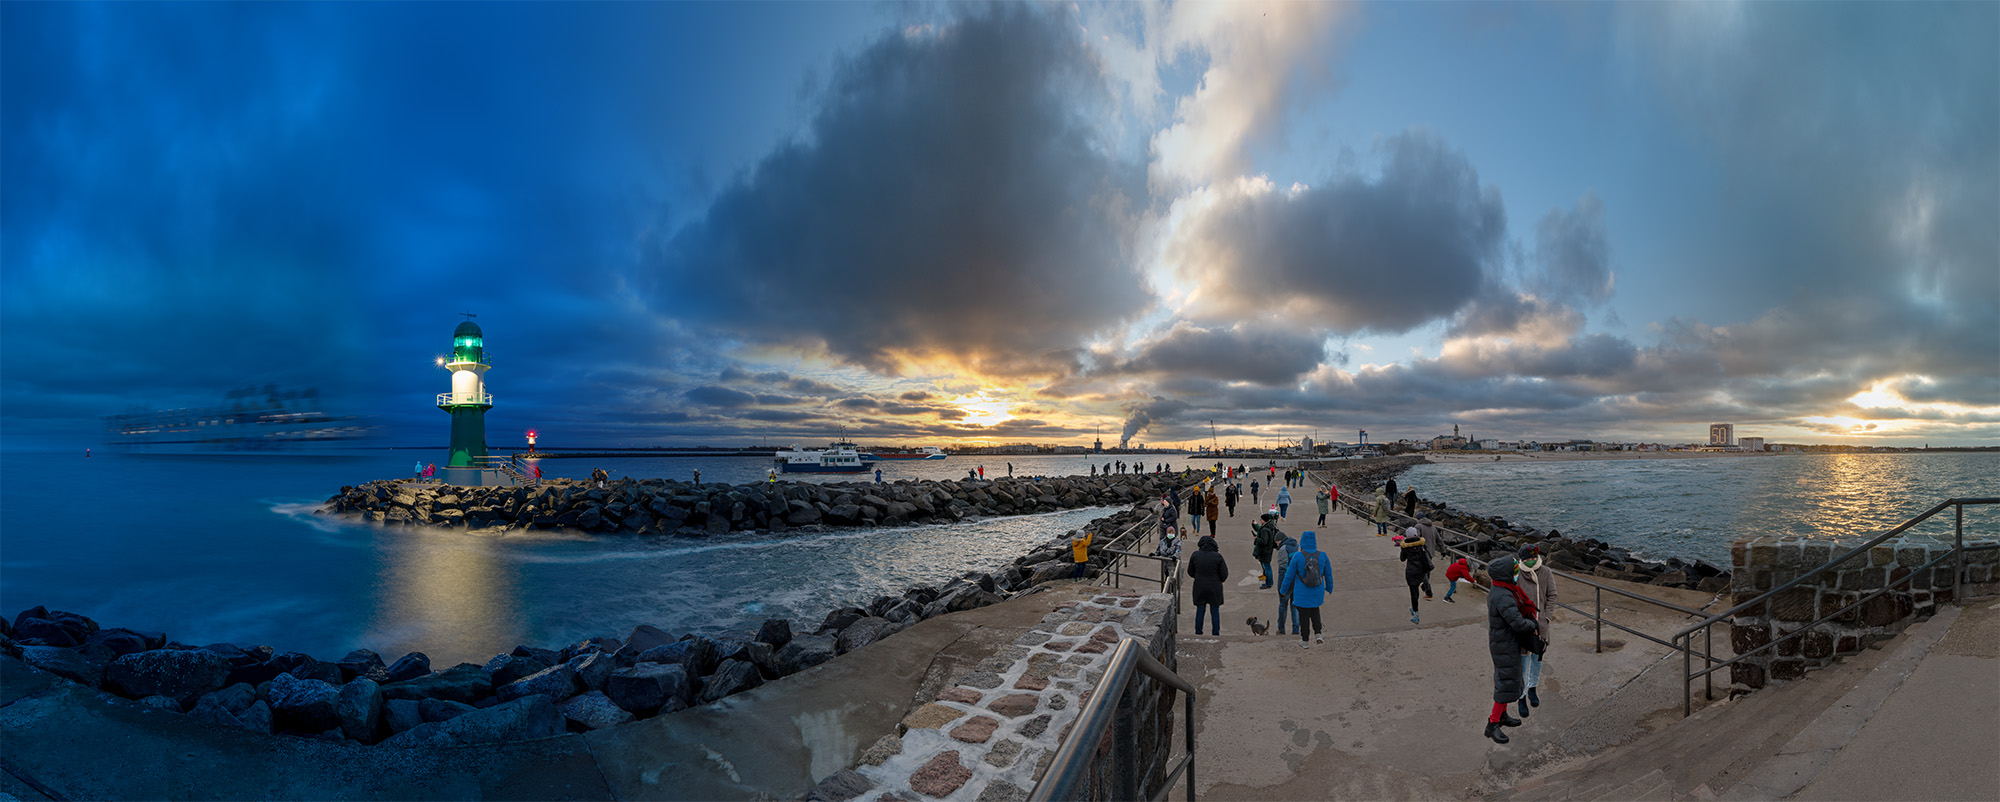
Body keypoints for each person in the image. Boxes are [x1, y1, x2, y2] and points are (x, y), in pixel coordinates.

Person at [1484, 555, 1539, 744]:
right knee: (1506, 682)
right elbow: (1516, 623)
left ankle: (1502, 716)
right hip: (1504, 644)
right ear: (1506, 574)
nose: (1517, 574)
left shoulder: (1501, 589)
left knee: (1509, 679)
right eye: (1514, 571)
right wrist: (1532, 624)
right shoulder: (1503, 596)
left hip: (1504, 643)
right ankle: (1492, 724)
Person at [1516, 544, 1557, 717]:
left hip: (1541, 625)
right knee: (1523, 660)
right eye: (1527, 558)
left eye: (1533, 557)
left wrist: (1546, 617)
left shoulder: (1546, 572)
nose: (1530, 561)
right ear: (1522, 559)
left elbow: (1553, 595)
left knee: (1537, 659)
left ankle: (1532, 688)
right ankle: (1522, 696)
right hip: (1523, 625)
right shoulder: (1516, 573)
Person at [1281, 531, 1333, 648]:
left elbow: (1289, 576)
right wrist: (1329, 587)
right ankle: (1318, 634)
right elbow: (1328, 574)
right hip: (1317, 591)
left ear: (1302, 542)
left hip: (1302, 593)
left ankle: (1305, 641)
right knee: (1315, 610)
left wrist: (1283, 590)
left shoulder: (1298, 556)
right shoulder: (1322, 555)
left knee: (1303, 616)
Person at [1187, 535, 1229, 635]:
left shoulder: (1195, 555)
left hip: (1200, 586)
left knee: (1200, 610)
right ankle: (1215, 633)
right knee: (1215, 611)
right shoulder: (1218, 556)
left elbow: (1190, 571)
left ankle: (1198, 632)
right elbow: (1224, 575)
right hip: (1214, 587)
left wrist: (1198, 577)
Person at [1399, 525, 1434, 624]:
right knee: (1416, 591)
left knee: (1413, 593)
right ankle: (1415, 608)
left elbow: (1402, 559)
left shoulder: (1405, 546)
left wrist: (1402, 549)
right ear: (1415, 534)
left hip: (1411, 572)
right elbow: (1427, 554)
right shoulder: (1422, 544)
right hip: (1421, 571)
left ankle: (1416, 614)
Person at [1274, 532, 1301, 635]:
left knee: (1283, 606)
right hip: (1297, 581)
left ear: (1280, 541)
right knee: (1294, 606)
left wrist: (1281, 587)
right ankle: (1296, 629)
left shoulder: (1283, 549)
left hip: (1287, 582)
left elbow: (1282, 569)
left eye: (1277, 542)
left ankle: (1281, 629)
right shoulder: (1297, 545)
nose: (1277, 544)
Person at [1252, 512, 1282, 588]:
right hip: (1268, 550)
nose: (1260, 520)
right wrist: (1255, 525)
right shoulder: (1269, 526)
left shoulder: (1265, 529)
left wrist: (1256, 539)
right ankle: (1267, 578)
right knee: (1265, 566)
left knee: (1267, 567)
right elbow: (1260, 529)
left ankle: (1269, 583)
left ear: (1265, 520)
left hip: (1265, 551)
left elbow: (1263, 541)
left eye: (1261, 519)